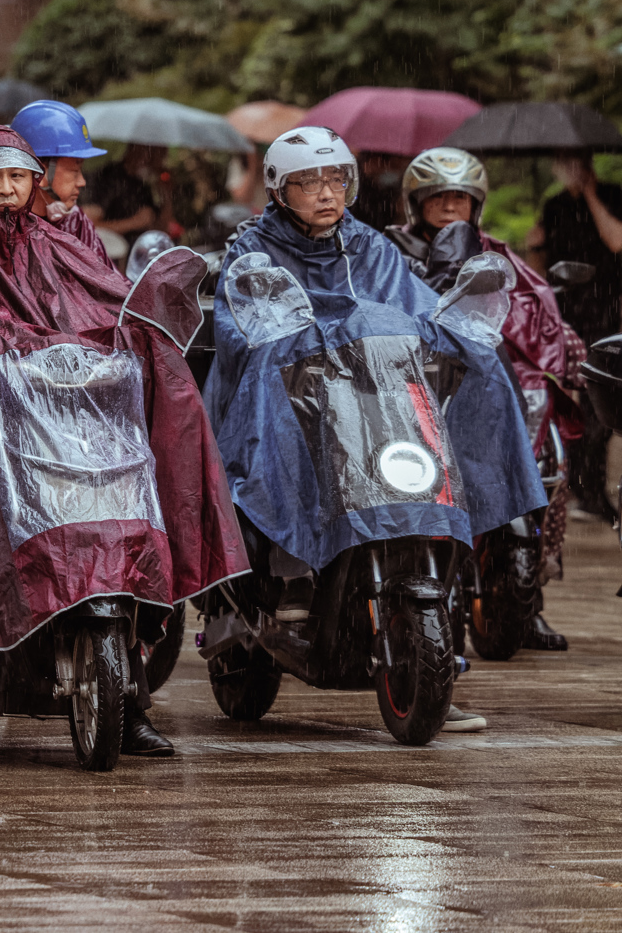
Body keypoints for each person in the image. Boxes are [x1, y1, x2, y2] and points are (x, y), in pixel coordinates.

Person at [0, 126, 245, 759]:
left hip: (66, 423)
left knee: (123, 525)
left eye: (17, 177)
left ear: (34, 181)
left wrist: (137, 330)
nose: (5, 190)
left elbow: (110, 306)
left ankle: (132, 699)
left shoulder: (64, 242)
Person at [206, 128, 546, 734]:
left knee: (460, 419)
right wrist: (296, 344)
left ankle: (437, 667)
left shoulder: (371, 247)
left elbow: (413, 307)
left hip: (370, 401)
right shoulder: (252, 250)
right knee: (281, 449)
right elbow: (246, 331)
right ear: (281, 191)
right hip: (298, 407)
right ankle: (288, 577)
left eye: (336, 179)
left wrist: (456, 336)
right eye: (308, 183)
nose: (325, 193)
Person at [386, 147, 582, 651]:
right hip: (411, 387)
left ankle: (530, 602)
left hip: (483, 387)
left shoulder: (496, 253)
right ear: (416, 202)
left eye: (460, 198)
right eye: (438, 198)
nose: (450, 208)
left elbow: (535, 312)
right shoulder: (388, 254)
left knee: (542, 475)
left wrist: (564, 342)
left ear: (477, 204)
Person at [530, 151, 622, 522]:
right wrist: (534, 246)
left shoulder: (613, 195)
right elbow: (541, 265)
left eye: (574, 164)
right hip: (569, 316)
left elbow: (616, 241)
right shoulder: (553, 206)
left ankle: (592, 490)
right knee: (570, 405)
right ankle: (582, 489)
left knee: (602, 407)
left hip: (610, 315)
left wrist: (590, 194)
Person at [11, 99, 113, 266]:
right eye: (74, 171)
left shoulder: (75, 220)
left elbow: (107, 278)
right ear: (40, 173)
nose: (82, 182)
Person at [85, 142, 162, 246]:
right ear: (135, 147)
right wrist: (133, 223)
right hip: (110, 255)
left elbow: (161, 230)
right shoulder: (108, 178)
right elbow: (89, 226)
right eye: (153, 151)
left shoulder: (143, 186)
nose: (156, 158)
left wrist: (166, 193)